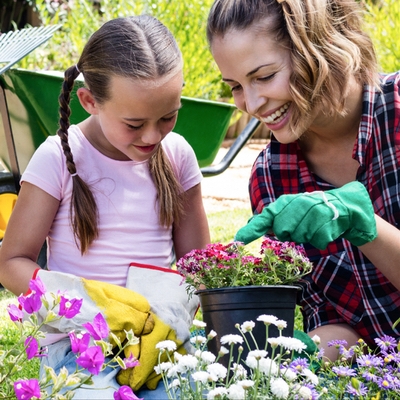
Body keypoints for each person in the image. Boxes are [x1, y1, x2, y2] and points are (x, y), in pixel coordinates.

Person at [0, 15, 210, 398]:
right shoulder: (59, 158)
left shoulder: (178, 154)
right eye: (134, 123)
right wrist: (87, 309)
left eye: (168, 116)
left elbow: (199, 262)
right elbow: (12, 262)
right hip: (77, 344)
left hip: (159, 339)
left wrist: (169, 319)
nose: (152, 135)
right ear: (89, 101)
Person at [206, 0, 400, 361]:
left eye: (263, 76)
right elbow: (337, 321)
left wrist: (366, 227)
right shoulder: (272, 176)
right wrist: (297, 353)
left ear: (321, 45)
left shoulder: (397, 113)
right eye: (234, 86)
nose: (251, 103)